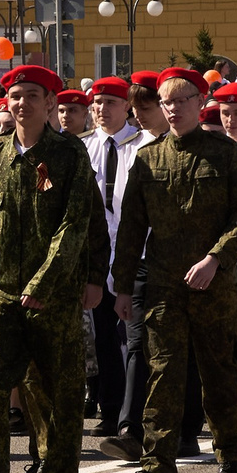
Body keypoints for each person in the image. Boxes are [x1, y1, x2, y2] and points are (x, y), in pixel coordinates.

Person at [0, 62, 99, 473]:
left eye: (32, 96)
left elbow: (74, 224)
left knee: (60, 397)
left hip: (54, 297)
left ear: (49, 104)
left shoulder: (69, 155)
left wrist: (45, 282)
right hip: (1, 295)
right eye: (15, 96)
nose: (22, 103)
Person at [111, 67, 237, 473]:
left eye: (181, 100)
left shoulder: (225, 154)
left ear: (200, 101)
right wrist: (122, 286)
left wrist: (216, 259)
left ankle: (229, 451)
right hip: (162, 284)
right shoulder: (147, 157)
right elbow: (132, 228)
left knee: (218, 372)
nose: (172, 109)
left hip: (212, 284)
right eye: (165, 101)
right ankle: (156, 465)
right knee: (163, 372)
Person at [82, 76, 146, 448]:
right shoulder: (84, 147)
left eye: (110, 102)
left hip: (132, 251)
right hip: (96, 251)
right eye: (98, 102)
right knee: (103, 333)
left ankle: (132, 410)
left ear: (127, 107)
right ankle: (110, 410)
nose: (102, 109)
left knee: (133, 335)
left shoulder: (141, 145)